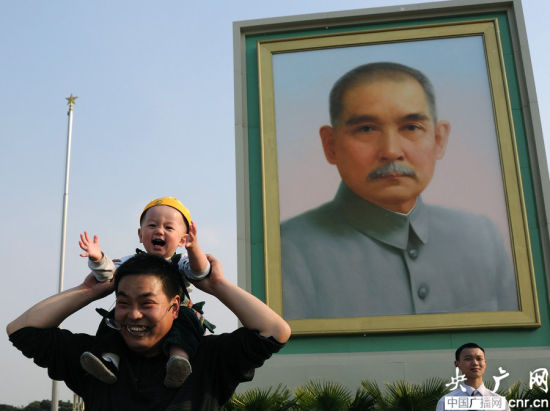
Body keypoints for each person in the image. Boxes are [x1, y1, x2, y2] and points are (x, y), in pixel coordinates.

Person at [281, 62, 518, 320]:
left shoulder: (481, 238)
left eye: (411, 127)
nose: (391, 150)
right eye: (366, 129)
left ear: (439, 140)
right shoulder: (286, 251)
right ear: (330, 145)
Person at [7, 252, 291, 410]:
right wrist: (87, 291)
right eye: (123, 302)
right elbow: (21, 329)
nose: (134, 314)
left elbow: (274, 331)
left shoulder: (206, 359)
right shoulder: (94, 361)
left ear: (175, 306)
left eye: (147, 303)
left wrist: (216, 285)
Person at [78, 196, 213, 388]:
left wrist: (194, 249)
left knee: (187, 318)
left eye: (168, 227)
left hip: (174, 314)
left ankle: (178, 360)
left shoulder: (181, 261)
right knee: (113, 318)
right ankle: (109, 360)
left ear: (183, 239)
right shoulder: (132, 261)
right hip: (141, 316)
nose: (159, 230)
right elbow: (109, 273)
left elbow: (199, 271)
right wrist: (98, 258)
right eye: (152, 225)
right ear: (141, 235)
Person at [436, 343, 510, 411]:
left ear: (485, 363)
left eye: (479, 359)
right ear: (457, 364)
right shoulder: (445, 402)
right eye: (468, 359)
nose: (475, 363)